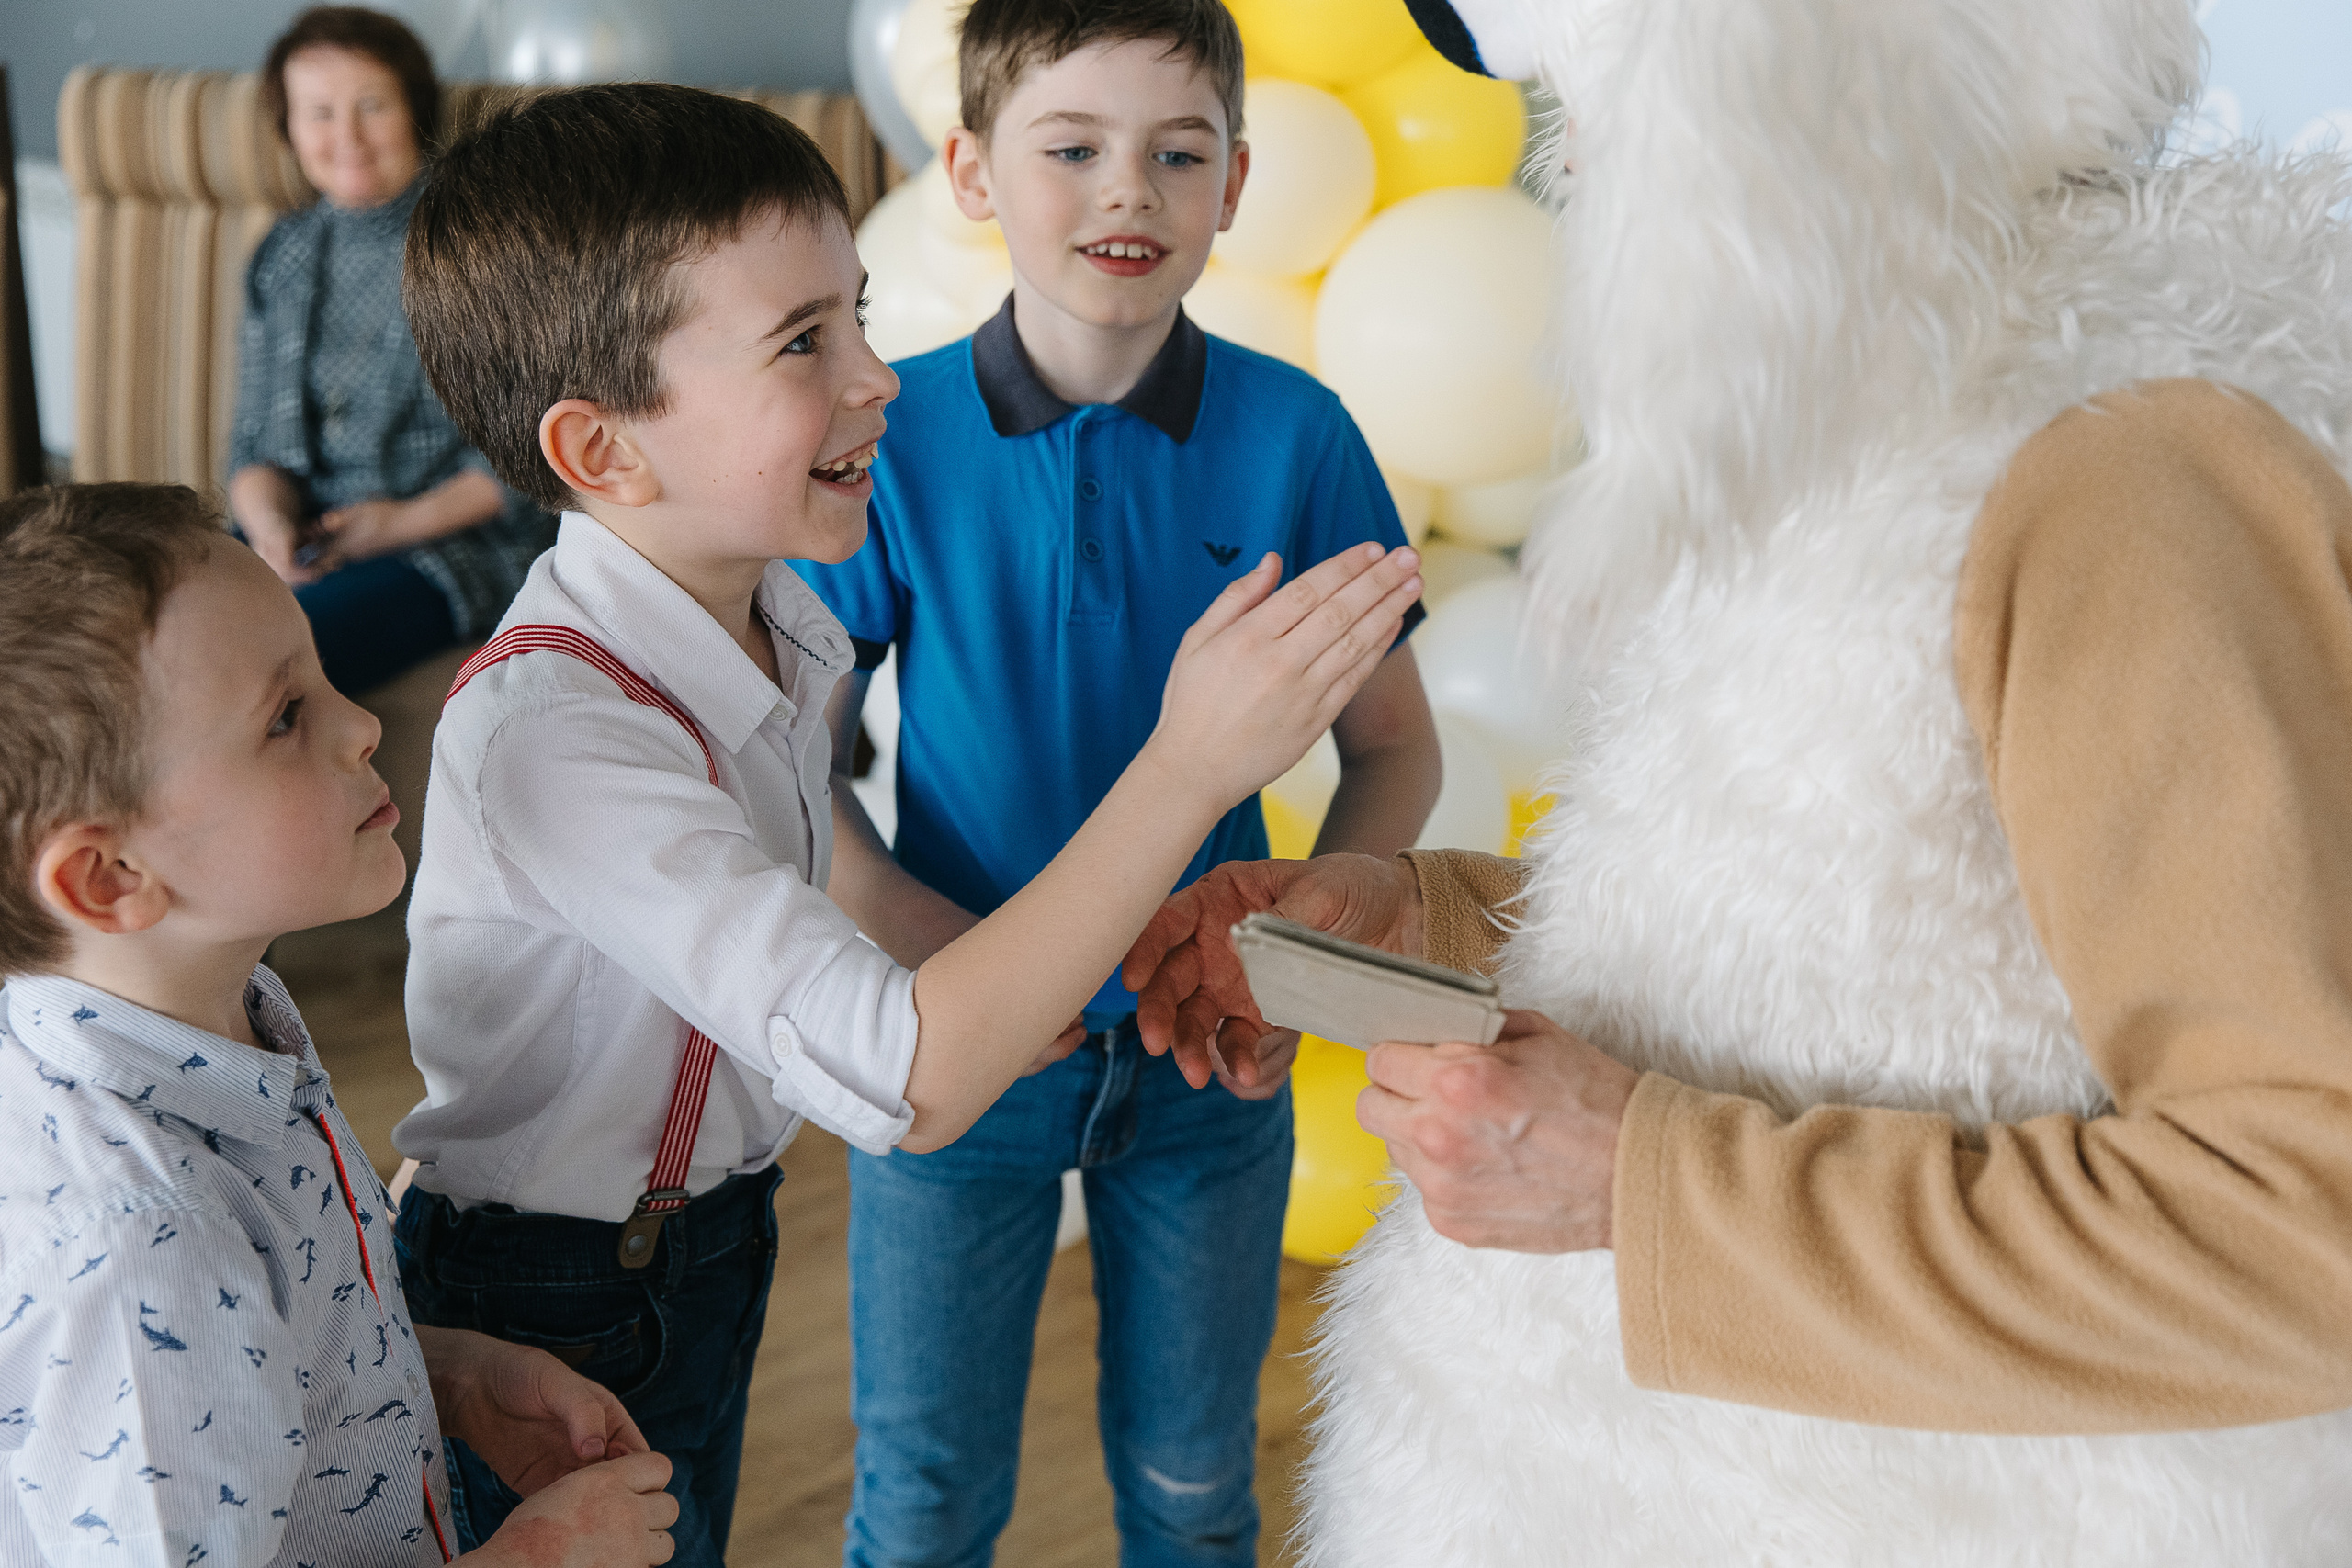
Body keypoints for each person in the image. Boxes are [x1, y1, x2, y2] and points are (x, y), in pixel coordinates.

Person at [1119, 0, 2352, 1561]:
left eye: (1588, 113)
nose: (1576, 178)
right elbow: (1876, 976)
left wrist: (1642, 1184)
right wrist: (1419, 925)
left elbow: (2309, 1216)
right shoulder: (1865, 427)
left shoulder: (2124, 488)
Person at [385, 84, 1421, 1568]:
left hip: (705, 1243)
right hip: (547, 1291)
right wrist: (1190, 762)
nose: (878, 377)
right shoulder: (562, 735)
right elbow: (911, 1077)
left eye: (857, 317)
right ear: (603, 451)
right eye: (806, 342)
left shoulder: (785, 618)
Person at [791, 1, 1440, 1560]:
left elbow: (1397, 748)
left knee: (1197, 1486)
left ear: (1233, 186)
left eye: (1176, 152)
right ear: (972, 172)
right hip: (955, 1061)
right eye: (1071, 148)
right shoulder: (893, 436)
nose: (1126, 192)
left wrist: (1298, 945)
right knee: (926, 1496)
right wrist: (934, 956)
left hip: (1206, 1056)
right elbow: (792, 776)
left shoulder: (1301, 435)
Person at [0, 481, 681, 1567]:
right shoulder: (138, 1251)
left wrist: (442, 1373)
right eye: (285, 716)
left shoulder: (210, 1018)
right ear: (109, 875)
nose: (362, 725)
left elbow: (248, 1363)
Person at [225, 6, 551, 696]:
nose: (346, 136)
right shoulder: (279, 258)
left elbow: (528, 455)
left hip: (444, 544)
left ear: (415, 110)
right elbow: (253, 448)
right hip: (310, 535)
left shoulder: (481, 244)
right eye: (317, 112)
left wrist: (393, 525)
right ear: (287, 127)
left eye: (371, 105)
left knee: (264, 658)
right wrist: (272, 533)